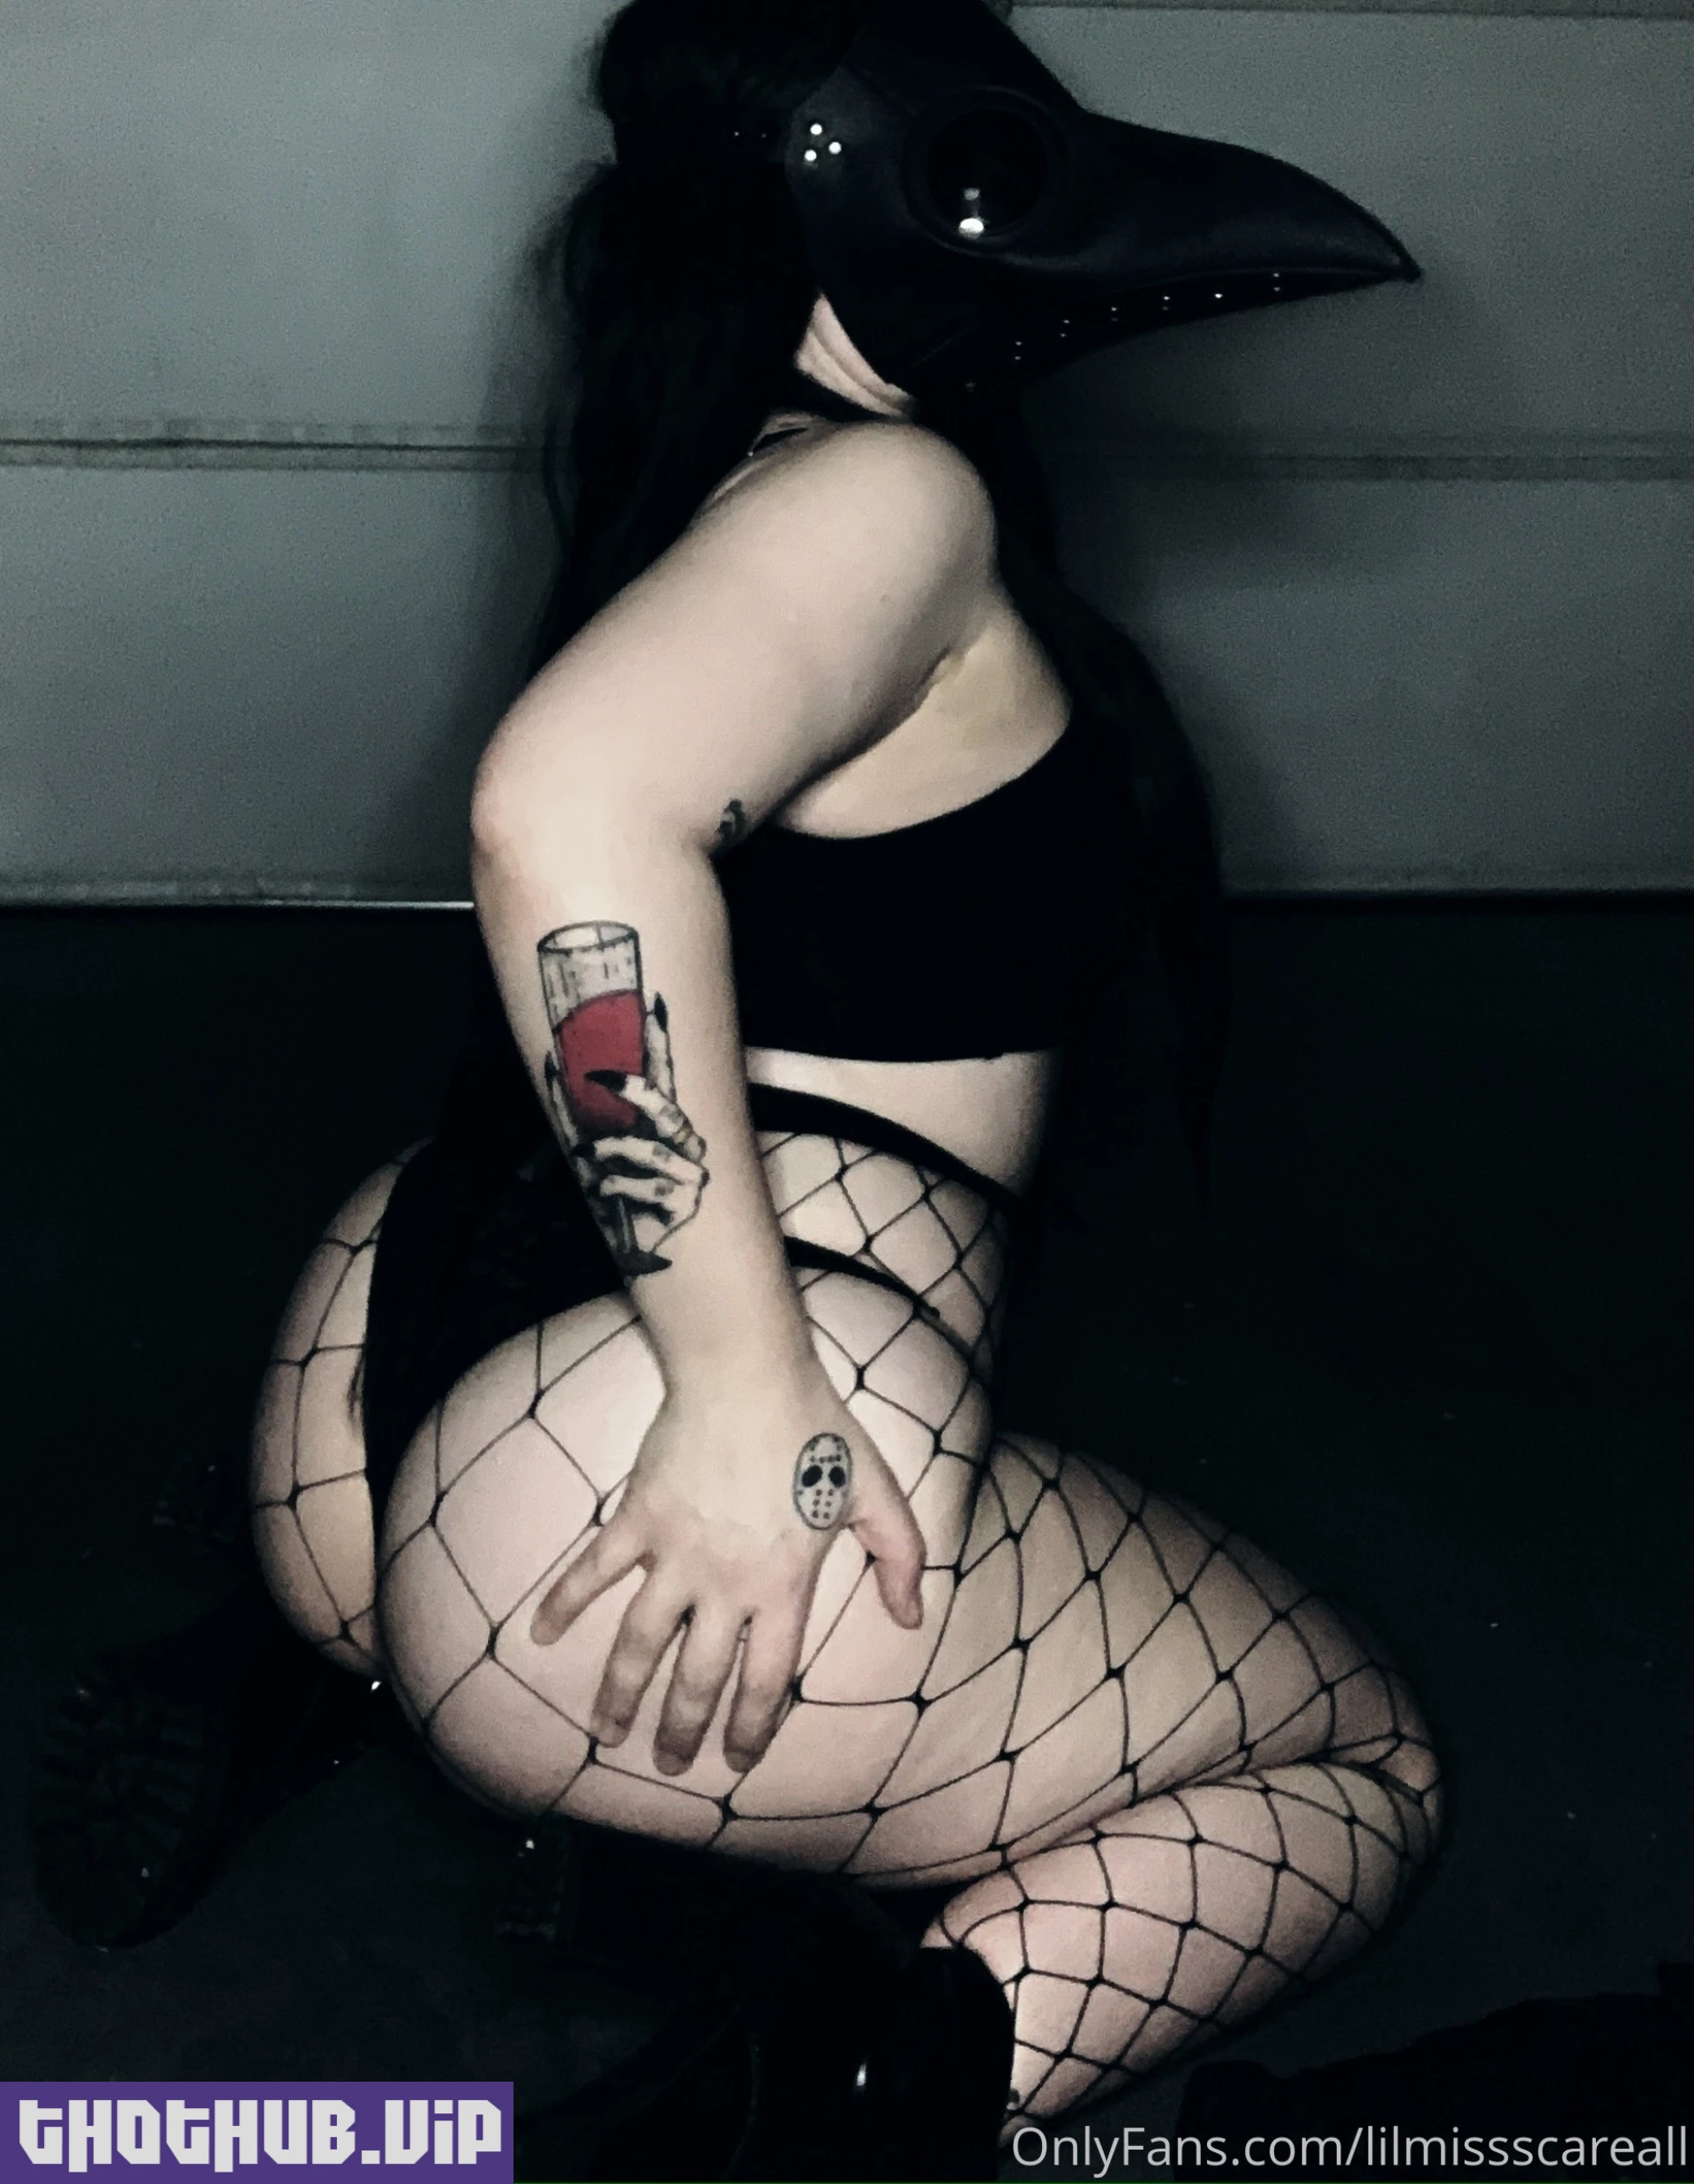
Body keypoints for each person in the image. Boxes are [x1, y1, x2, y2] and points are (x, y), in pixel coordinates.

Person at [30, 0, 1442, 2173]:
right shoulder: (892, 488)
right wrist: (737, 1379)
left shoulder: (718, 458)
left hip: (401, 1368)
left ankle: (304, 1672)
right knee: (1353, 1767)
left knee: (635, 1668)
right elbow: (567, 810)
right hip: (655, 1429)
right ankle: (753, 2122)